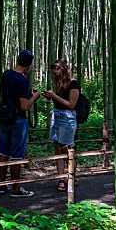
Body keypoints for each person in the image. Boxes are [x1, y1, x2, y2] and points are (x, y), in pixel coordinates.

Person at [0, 50, 41, 197]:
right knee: (16, 155)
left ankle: (2, 186)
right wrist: (34, 97)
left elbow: (9, 94)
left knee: (3, 152)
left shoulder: (6, 74)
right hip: (17, 120)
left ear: (17, 60)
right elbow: (24, 106)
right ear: (29, 65)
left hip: (4, 118)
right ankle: (15, 189)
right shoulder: (23, 81)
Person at [41, 60, 80, 192]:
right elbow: (60, 101)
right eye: (53, 73)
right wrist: (50, 96)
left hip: (67, 118)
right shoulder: (58, 84)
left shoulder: (74, 84)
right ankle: (61, 178)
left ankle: (72, 176)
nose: (54, 75)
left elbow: (71, 104)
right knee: (57, 147)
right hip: (57, 116)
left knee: (66, 148)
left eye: (56, 72)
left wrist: (54, 96)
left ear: (63, 70)